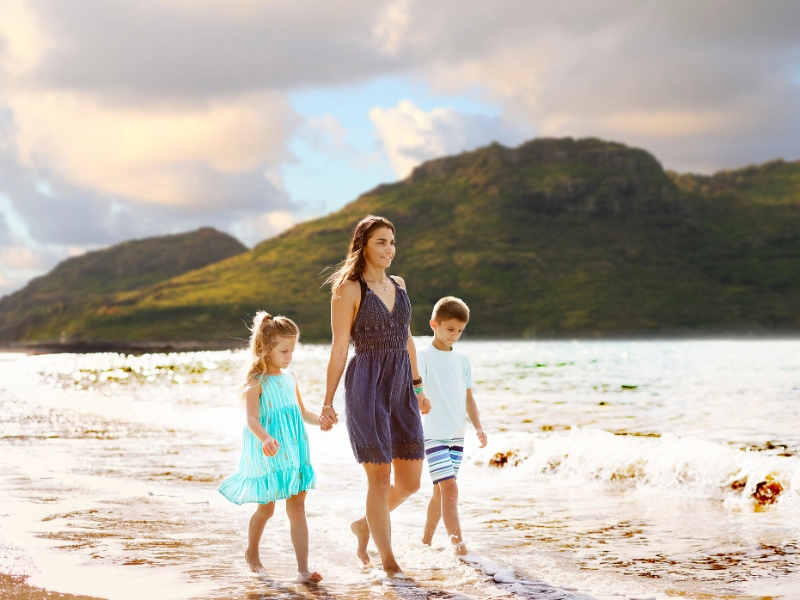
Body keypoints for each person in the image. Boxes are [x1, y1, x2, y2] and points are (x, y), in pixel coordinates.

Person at [321, 214, 431, 577]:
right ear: (363, 245)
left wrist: (418, 387)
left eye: (393, 241)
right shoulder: (349, 289)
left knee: (411, 482)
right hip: (366, 384)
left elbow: (408, 338)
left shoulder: (399, 284)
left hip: (400, 385)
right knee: (380, 478)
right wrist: (327, 403)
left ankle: (365, 524)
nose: (389, 249)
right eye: (381, 242)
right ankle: (389, 562)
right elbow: (339, 349)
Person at [218, 312, 333, 584]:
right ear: (265, 348)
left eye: (292, 350)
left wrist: (322, 421)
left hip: (293, 450)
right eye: (284, 350)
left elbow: (302, 412)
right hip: (268, 450)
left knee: (298, 507)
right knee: (266, 509)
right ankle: (252, 552)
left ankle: (303, 569)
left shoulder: (290, 377)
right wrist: (266, 439)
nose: (289, 356)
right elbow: (251, 419)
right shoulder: (255, 382)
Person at [417, 297, 488, 556]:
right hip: (432, 435)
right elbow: (413, 390)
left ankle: (424, 542)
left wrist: (478, 427)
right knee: (450, 489)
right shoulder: (422, 356)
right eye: (450, 329)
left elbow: (468, 397)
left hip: (457, 436)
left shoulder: (462, 360)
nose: (455, 335)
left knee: (440, 491)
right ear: (434, 324)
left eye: (460, 331)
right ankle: (458, 544)